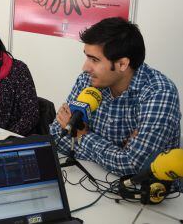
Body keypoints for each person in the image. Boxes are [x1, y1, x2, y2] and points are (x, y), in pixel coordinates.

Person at [50, 17, 181, 176]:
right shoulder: (88, 80)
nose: (85, 67)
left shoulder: (159, 92)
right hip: (92, 177)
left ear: (122, 64)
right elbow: (57, 136)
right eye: (87, 57)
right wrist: (118, 152)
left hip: (147, 193)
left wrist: (82, 137)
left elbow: (135, 166)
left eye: (94, 60)